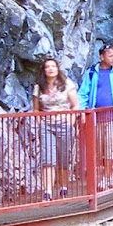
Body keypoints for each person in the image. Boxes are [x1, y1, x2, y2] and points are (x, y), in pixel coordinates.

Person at [77, 44, 113, 190]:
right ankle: (108, 174)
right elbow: (83, 93)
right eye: (110, 56)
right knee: (99, 148)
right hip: (96, 118)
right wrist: (82, 111)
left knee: (109, 147)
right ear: (101, 57)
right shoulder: (92, 73)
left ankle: (106, 175)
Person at [32, 57, 80, 197]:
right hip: (47, 125)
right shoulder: (39, 87)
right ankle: (47, 190)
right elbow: (36, 108)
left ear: (58, 69)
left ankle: (63, 186)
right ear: (44, 70)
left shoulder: (67, 84)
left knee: (63, 156)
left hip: (64, 123)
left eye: (53, 66)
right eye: (47, 67)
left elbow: (75, 105)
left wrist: (70, 121)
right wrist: (40, 122)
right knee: (48, 157)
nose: (50, 69)